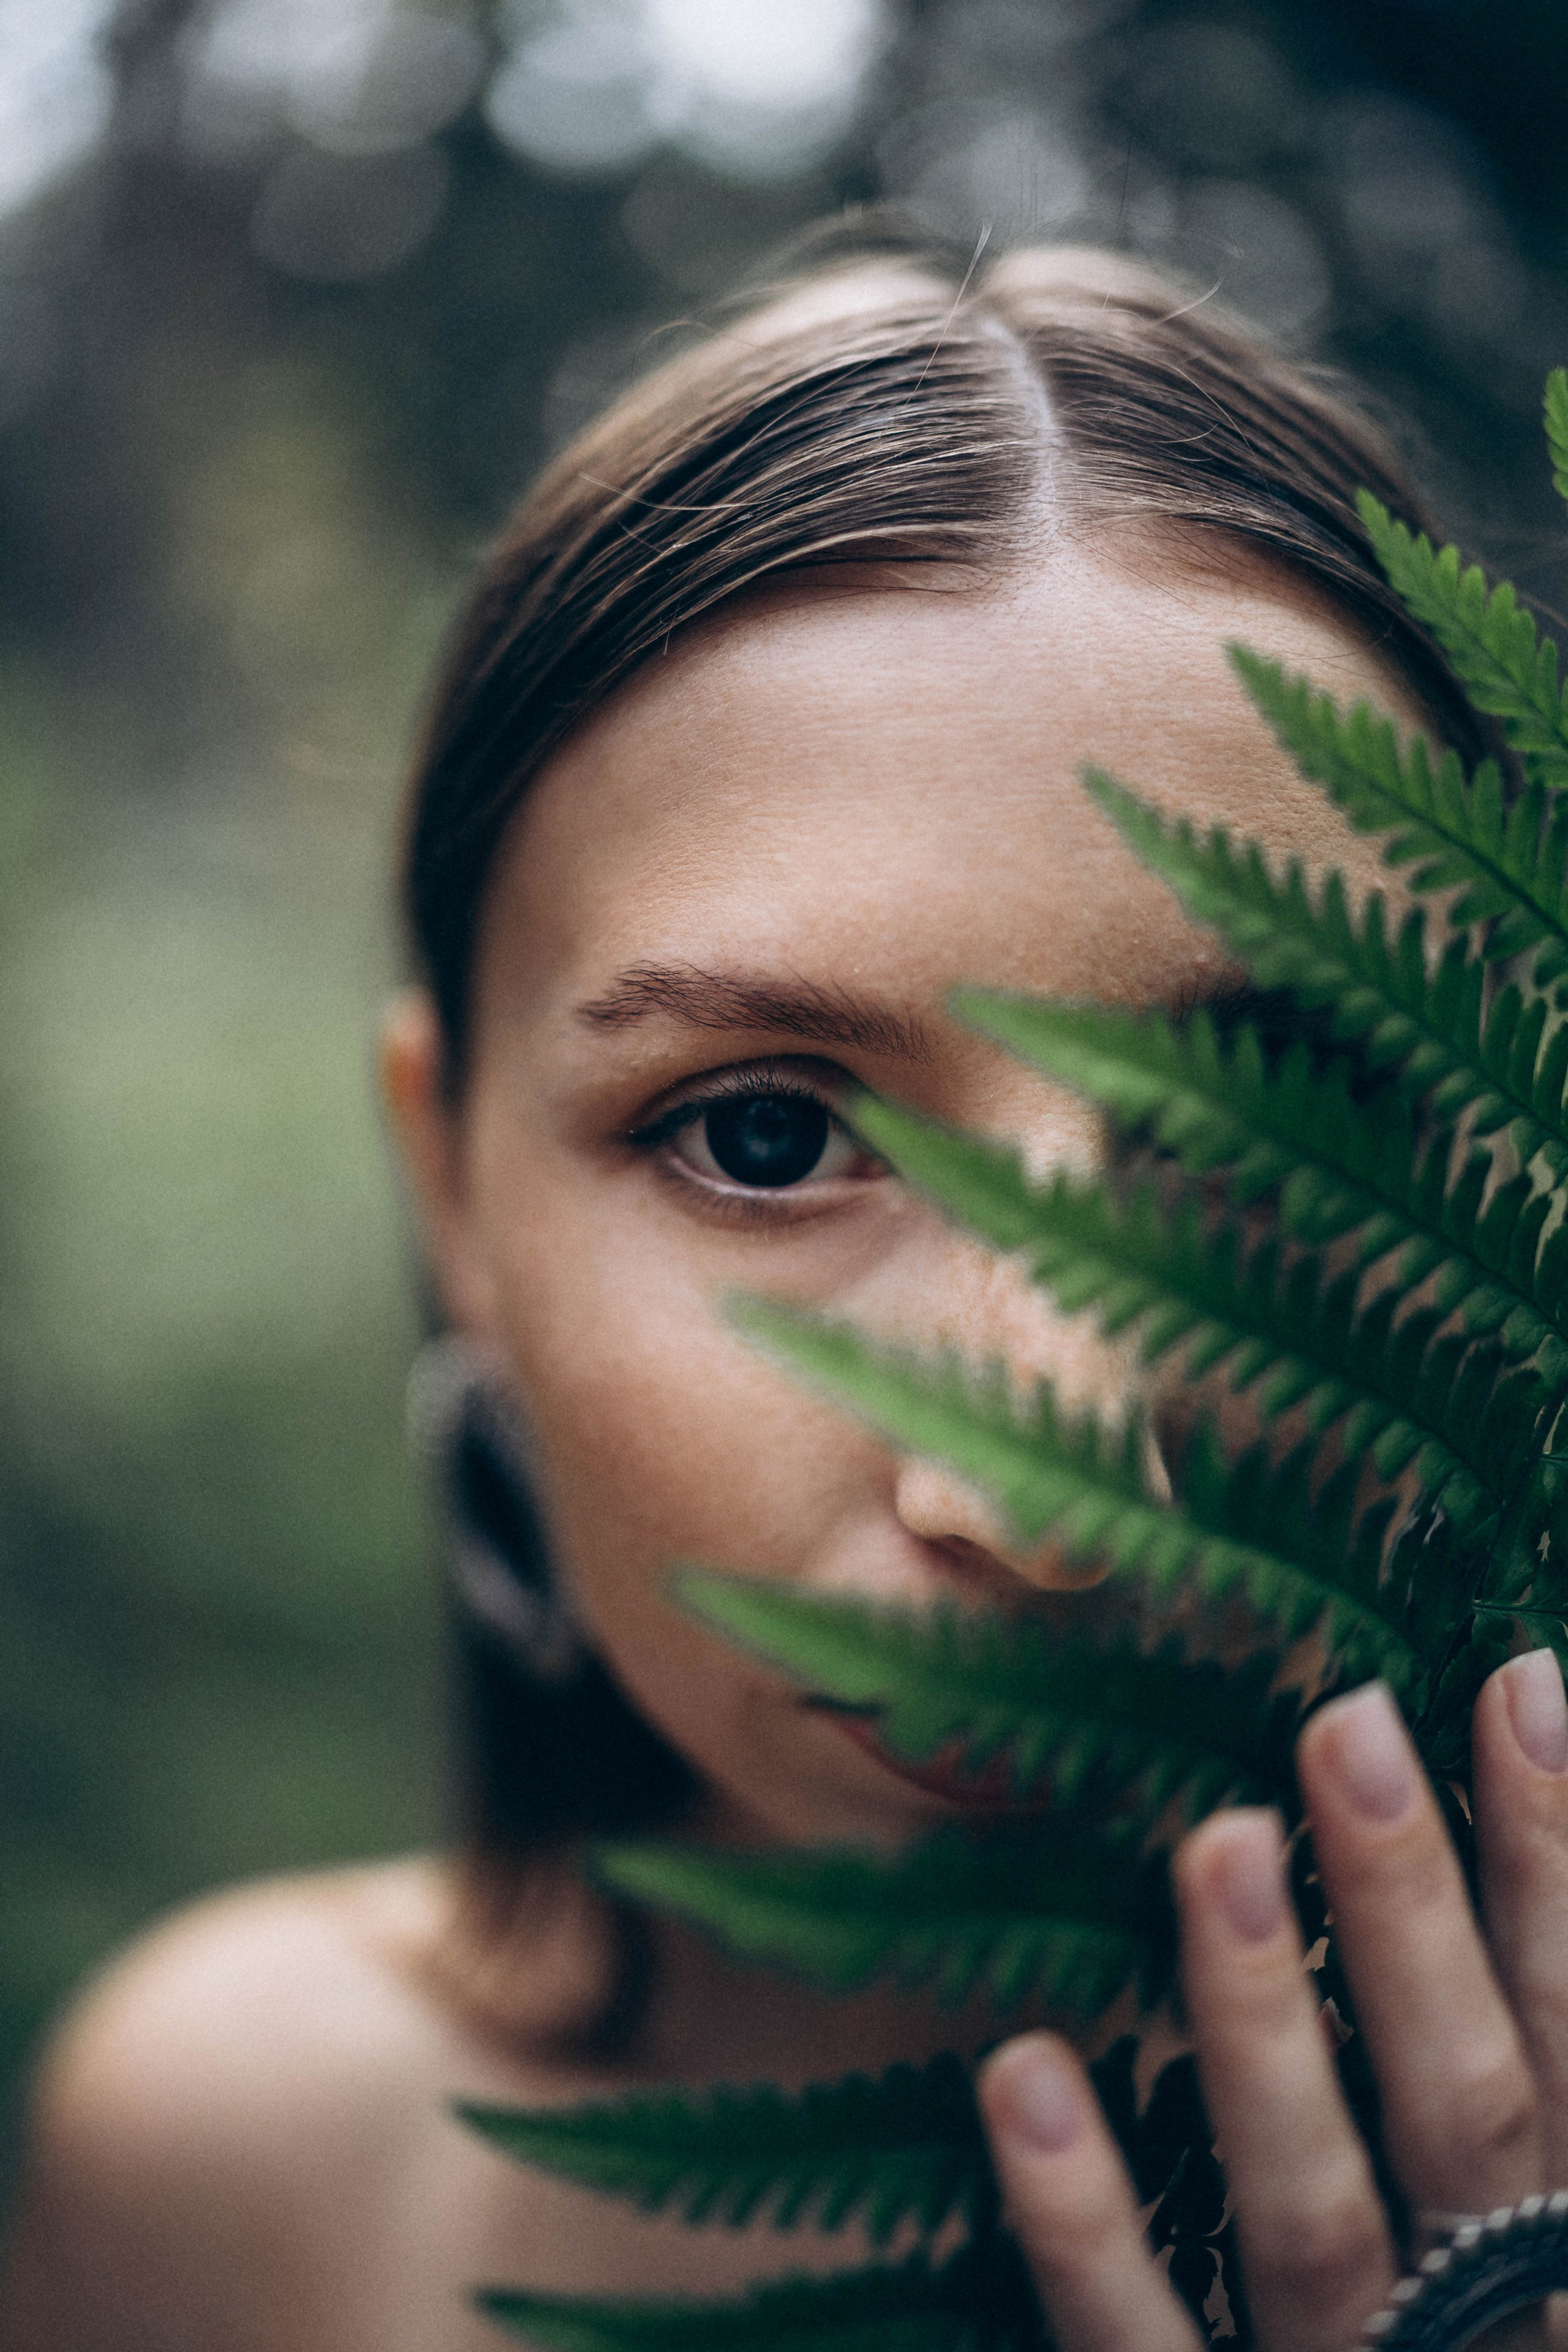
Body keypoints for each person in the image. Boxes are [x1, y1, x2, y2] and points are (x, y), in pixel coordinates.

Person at [2, 221, 1565, 2352]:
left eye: (1272, 1142)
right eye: (762, 1137)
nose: (1041, 1486)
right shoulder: (236, 2163)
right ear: (445, 1180)